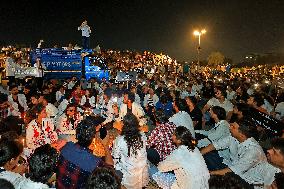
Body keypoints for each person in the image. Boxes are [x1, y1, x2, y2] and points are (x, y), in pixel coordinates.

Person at [56, 116, 113, 189]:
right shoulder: (94, 162)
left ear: (76, 135)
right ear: (92, 139)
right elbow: (110, 168)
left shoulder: (66, 146)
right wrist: (106, 145)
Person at [112, 113, 149, 189]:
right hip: (143, 176)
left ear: (124, 126)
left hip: (130, 179)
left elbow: (115, 158)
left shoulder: (120, 139)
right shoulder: (142, 135)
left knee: (111, 165)